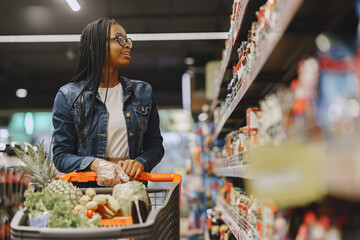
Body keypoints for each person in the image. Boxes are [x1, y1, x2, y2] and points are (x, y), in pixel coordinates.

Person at [51, 18, 164, 187]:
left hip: (131, 190)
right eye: (119, 39)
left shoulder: (142, 92)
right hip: (88, 196)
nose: (127, 45)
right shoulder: (68, 96)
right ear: (93, 46)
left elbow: (155, 146)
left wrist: (140, 162)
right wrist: (94, 164)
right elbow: (61, 156)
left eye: (127, 40)